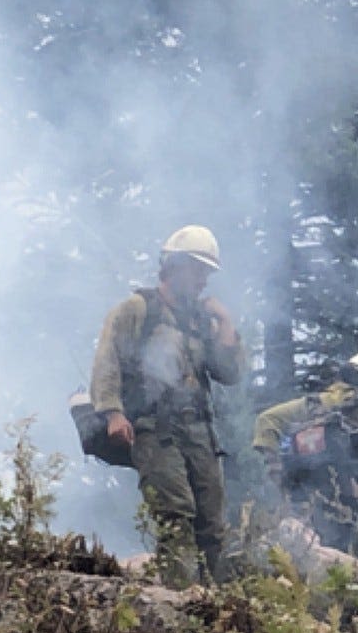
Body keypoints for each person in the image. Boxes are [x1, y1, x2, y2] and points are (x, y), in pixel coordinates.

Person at [88, 226, 245, 584]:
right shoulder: (135, 310)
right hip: (155, 428)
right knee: (175, 512)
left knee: (212, 520)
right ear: (174, 266)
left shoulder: (201, 321)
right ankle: (179, 598)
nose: (204, 280)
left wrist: (226, 324)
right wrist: (113, 413)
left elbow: (229, 372)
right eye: (198, 269)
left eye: (208, 271)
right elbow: (107, 359)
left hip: (199, 431)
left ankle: (220, 604)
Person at [252, 352, 358, 560]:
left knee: (320, 552)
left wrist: (274, 468)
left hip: (320, 494)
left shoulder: (314, 404)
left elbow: (266, 420)